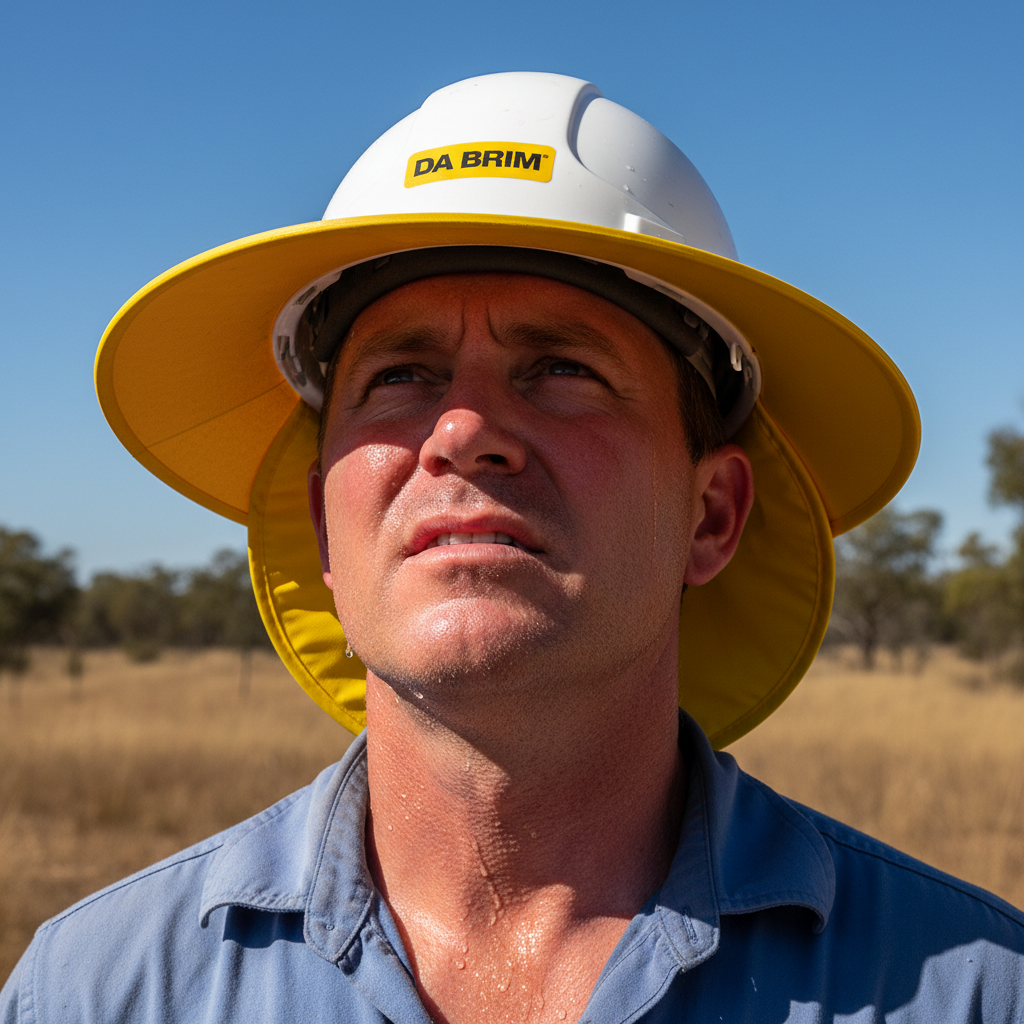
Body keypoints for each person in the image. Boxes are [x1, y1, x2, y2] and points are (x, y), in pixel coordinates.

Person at [3, 71, 1023, 1023]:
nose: (460, 432)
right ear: (322, 526)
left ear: (709, 515)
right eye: (400, 376)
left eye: (561, 367)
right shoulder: (99, 987)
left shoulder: (969, 989)